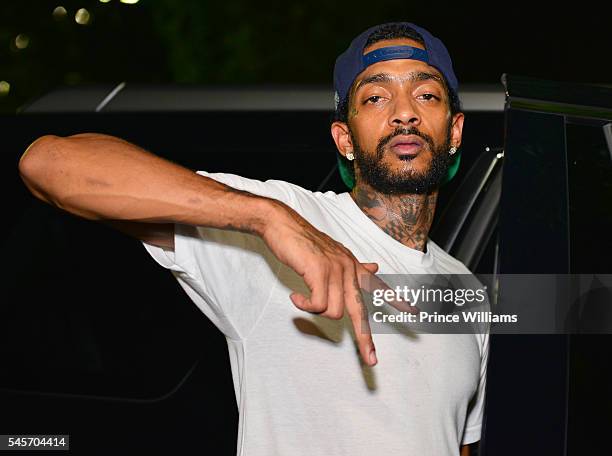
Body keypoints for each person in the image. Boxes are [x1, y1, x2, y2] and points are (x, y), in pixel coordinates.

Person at [19, 22, 488, 456]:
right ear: (345, 139)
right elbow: (49, 165)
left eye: (426, 95)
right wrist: (267, 219)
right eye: (375, 98)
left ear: (455, 131)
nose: (405, 112)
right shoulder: (288, 220)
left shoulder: (467, 292)